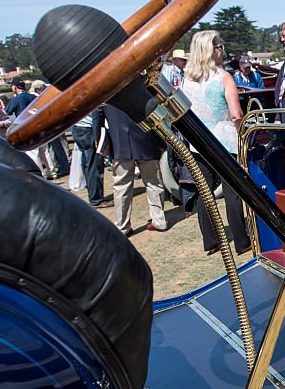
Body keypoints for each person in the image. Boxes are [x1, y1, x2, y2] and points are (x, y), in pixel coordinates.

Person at [182, 30, 249, 254]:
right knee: (233, 192)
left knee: (205, 191)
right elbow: (236, 114)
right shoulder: (223, 77)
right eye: (220, 47)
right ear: (212, 51)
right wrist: (243, 135)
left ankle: (211, 241)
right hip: (225, 141)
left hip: (198, 142)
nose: (223, 51)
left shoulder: (187, 80)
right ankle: (241, 241)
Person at [95, 104, 167, 236]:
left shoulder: (107, 93)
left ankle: (122, 226)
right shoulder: (140, 86)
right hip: (146, 140)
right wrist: (161, 142)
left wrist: (99, 141)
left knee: (122, 187)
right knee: (153, 182)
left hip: (120, 143)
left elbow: (98, 117)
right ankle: (159, 220)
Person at [69, 109, 109, 208]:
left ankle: (94, 195)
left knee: (87, 164)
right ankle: (96, 199)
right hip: (88, 129)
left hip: (78, 128)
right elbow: (96, 115)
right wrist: (97, 138)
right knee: (94, 166)